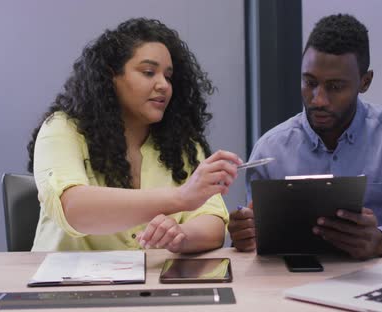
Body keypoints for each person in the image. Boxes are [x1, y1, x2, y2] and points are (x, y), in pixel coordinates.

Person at [228, 14, 382, 259]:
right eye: (309, 82)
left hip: (379, 279)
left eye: (335, 87)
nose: (318, 99)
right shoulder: (270, 149)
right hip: (289, 282)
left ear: (365, 82)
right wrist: (245, 236)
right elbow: (255, 240)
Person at [27, 18, 242, 253]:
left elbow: (212, 222)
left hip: (153, 282)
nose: (163, 85)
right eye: (149, 72)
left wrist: (181, 235)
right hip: (66, 283)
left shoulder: (182, 143)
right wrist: (180, 197)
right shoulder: (61, 128)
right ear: (111, 77)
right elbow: (74, 209)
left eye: (168, 76)